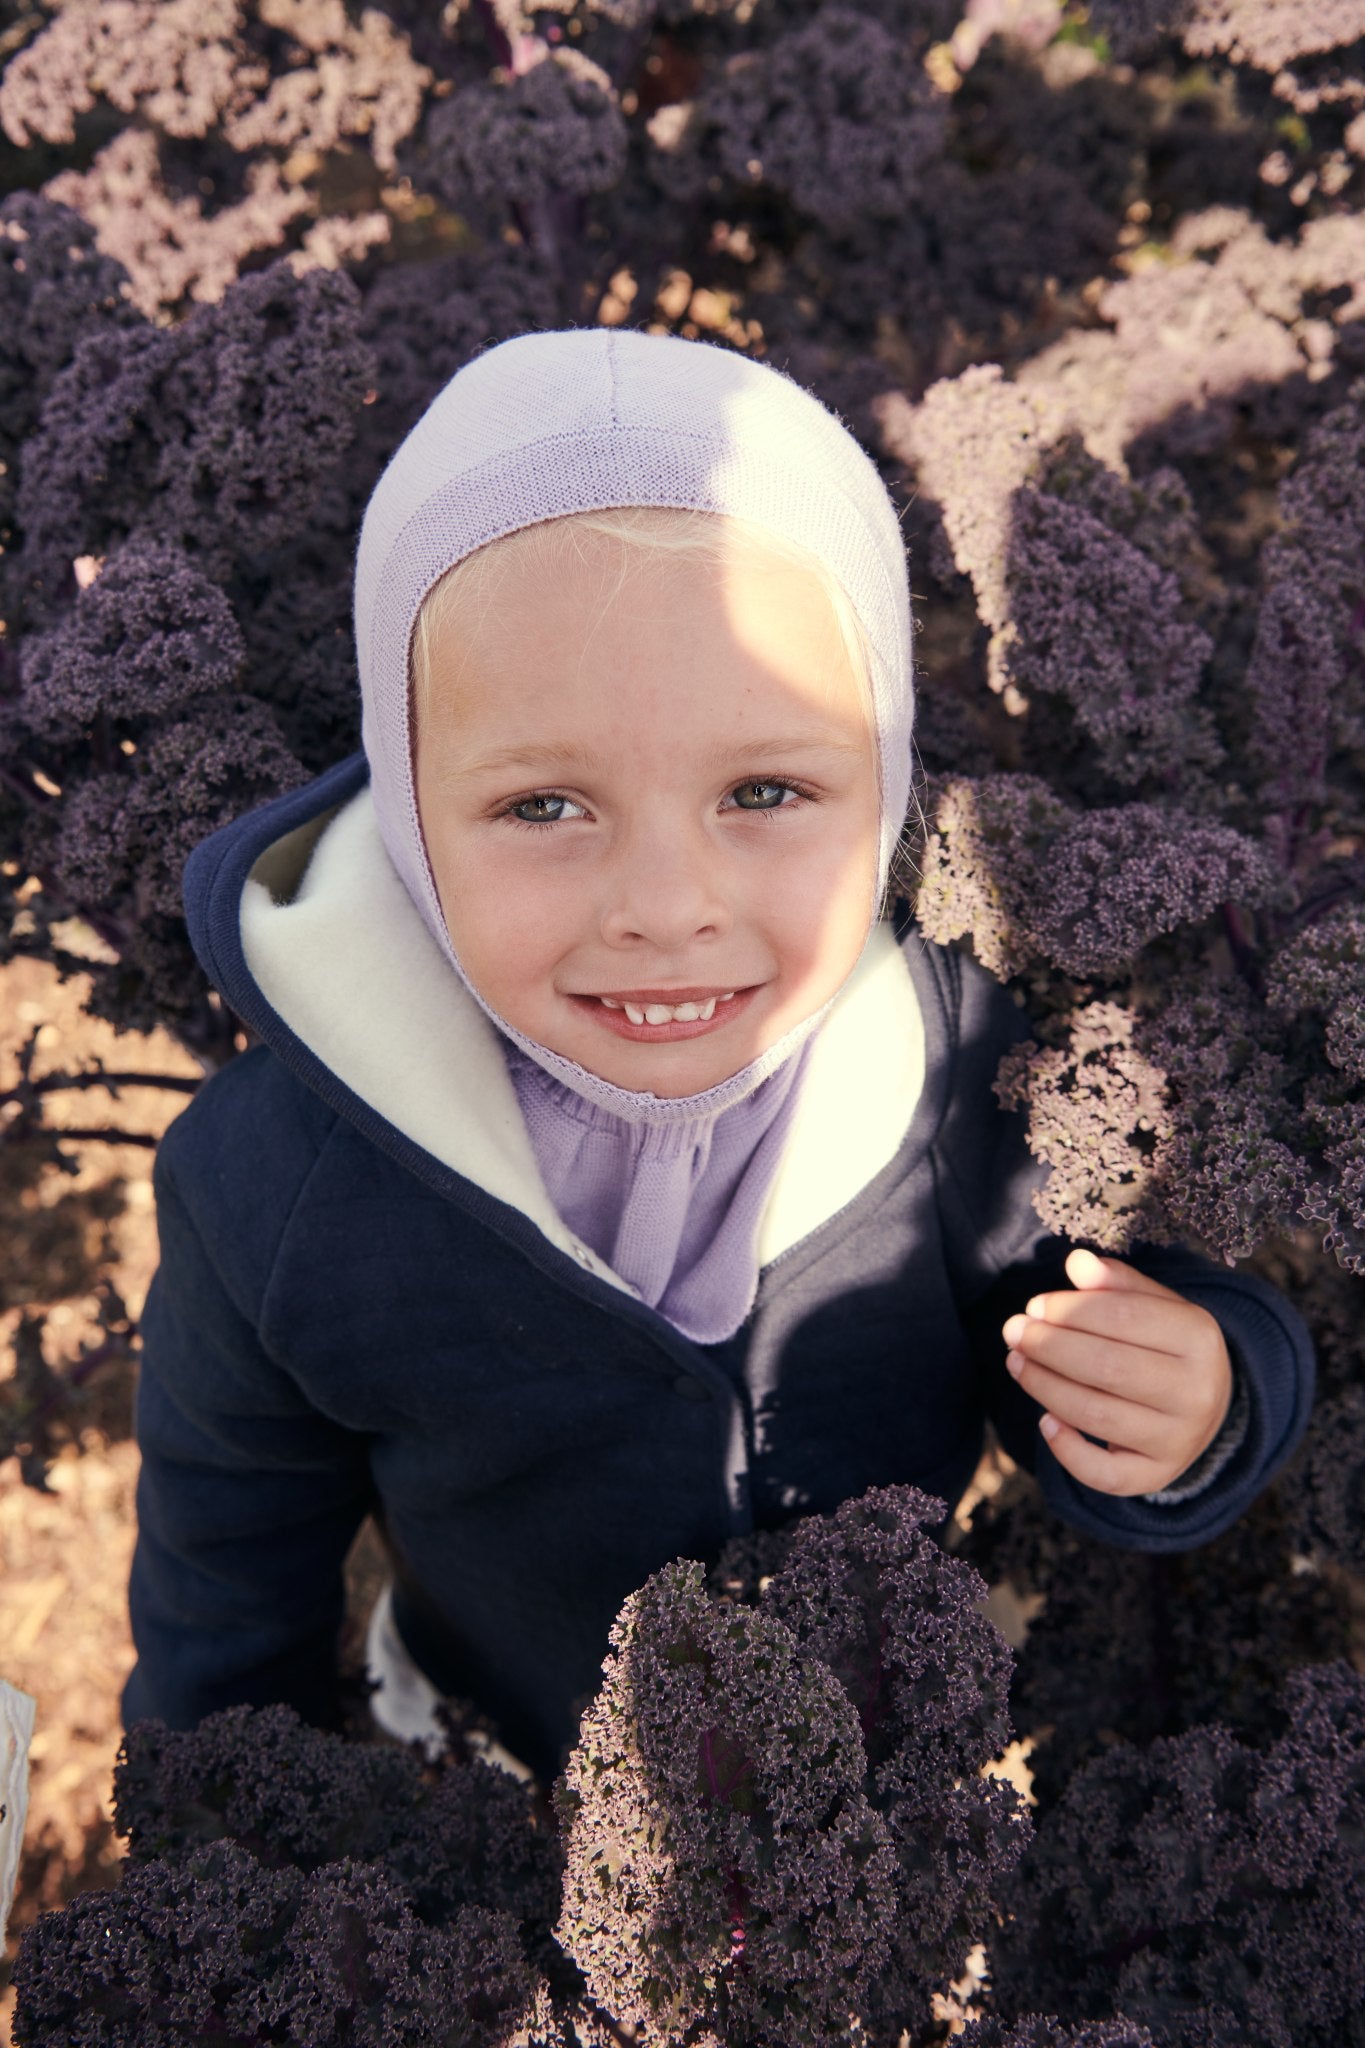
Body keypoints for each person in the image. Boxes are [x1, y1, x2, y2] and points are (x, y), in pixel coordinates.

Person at [122, 328, 1314, 1781]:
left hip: (867, 1758)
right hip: (497, 1750)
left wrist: (1208, 1395)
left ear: (880, 784)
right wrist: (227, 1812)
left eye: (763, 788)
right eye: (545, 808)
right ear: (409, 809)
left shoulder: (957, 1065)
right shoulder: (269, 1186)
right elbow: (225, 1556)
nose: (668, 909)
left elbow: (1114, 1317)